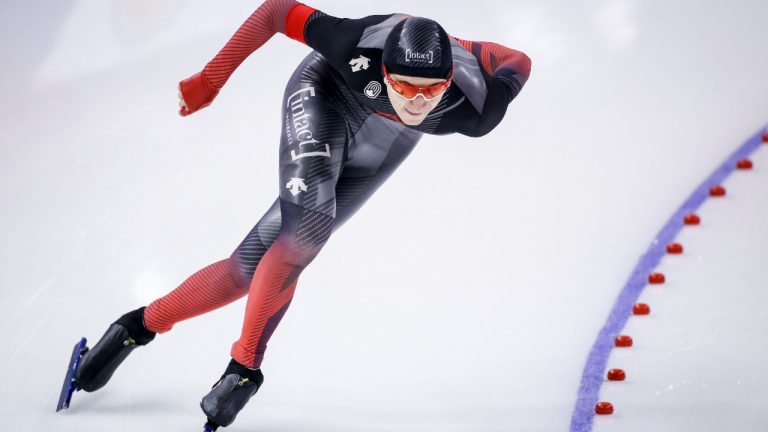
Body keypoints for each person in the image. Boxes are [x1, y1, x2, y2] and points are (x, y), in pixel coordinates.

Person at [64, 0, 531, 429]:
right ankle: (244, 369)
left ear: (450, 81)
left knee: (246, 269)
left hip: (387, 141)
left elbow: (519, 61)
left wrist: (463, 47)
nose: (416, 101)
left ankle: (133, 327)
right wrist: (210, 81)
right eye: (404, 85)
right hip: (323, 94)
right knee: (303, 234)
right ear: (382, 69)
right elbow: (275, 11)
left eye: (431, 90)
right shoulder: (353, 46)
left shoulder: (479, 109)